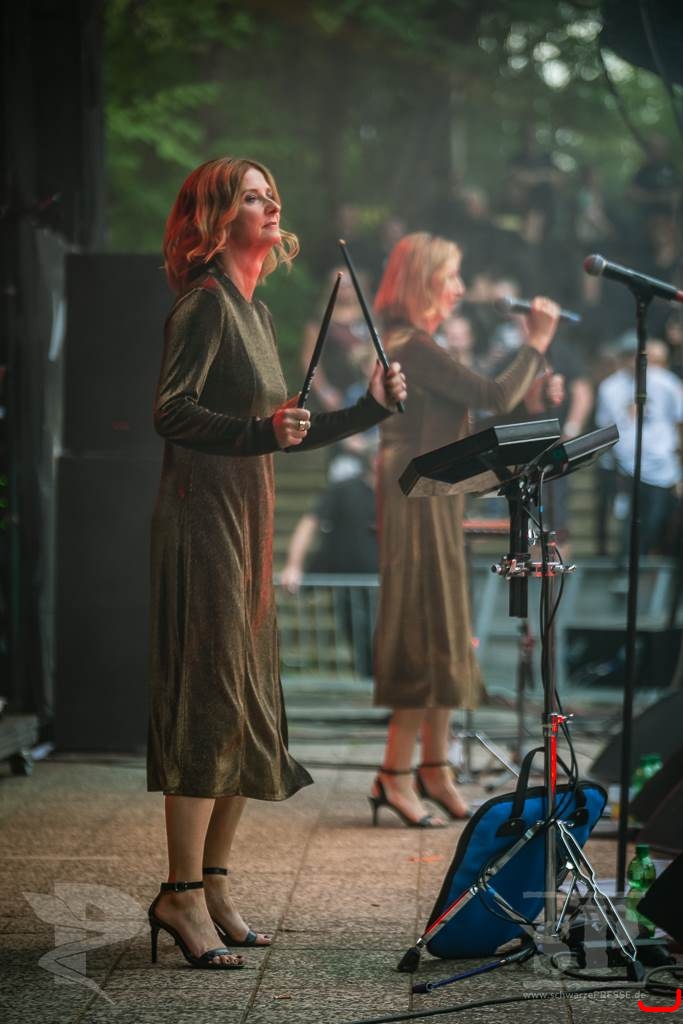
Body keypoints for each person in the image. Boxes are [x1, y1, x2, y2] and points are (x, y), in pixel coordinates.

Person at [146, 156, 407, 969]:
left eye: (271, 195)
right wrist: (260, 432)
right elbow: (171, 413)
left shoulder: (255, 313)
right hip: (203, 524)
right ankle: (178, 893)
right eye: (252, 196)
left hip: (248, 523)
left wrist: (369, 408)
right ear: (216, 217)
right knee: (209, 701)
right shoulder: (205, 304)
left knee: (247, 703)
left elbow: (284, 430)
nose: (271, 205)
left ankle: (213, 884)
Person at [370, 232, 560, 828]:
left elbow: (478, 420)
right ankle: (394, 773)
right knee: (422, 626)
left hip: (434, 493)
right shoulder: (411, 345)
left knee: (447, 630)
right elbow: (491, 394)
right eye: (450, 275)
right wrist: (535, 344)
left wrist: (532, 395)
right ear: (422, 281)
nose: (458, 287)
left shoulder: (419, 346)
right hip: (414, 496)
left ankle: (434, 768)